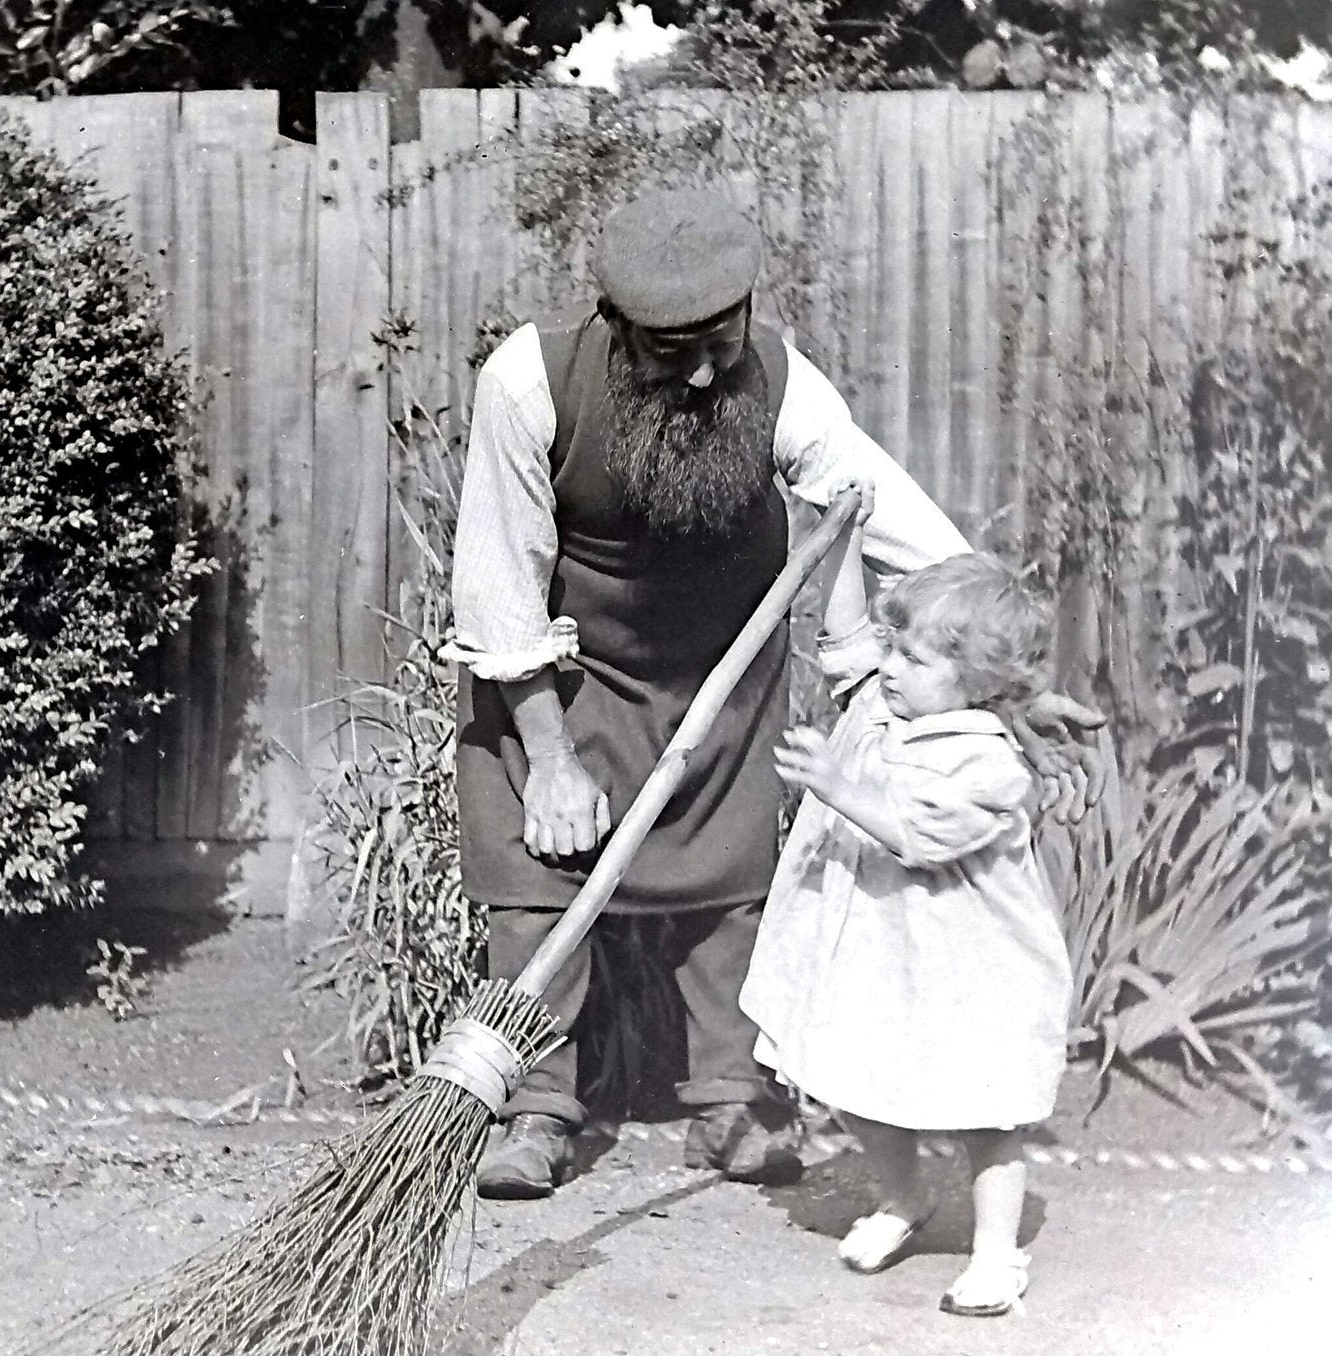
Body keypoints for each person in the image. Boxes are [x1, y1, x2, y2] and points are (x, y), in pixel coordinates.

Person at [441, 185, 1100, 1201]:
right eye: (669, 351)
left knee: (732, 879)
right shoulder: (527, 383)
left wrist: (1007, 686)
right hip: (556, 666)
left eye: (720, 337)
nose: (703, 370)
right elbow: (496, 580)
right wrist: (551, 755)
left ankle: (731, 1103)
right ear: (614, 327)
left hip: (718, 661)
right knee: (536, 879)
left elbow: (888, 520)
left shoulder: (782, 385)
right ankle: (535, 1106)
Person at [738, 489, 1071, 1317]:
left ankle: (998, 1254)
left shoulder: (988, 763)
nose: (890, 668)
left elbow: (917, 835)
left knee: (988, 1111)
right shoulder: (883, 708)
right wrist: (842, 538)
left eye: (915, 659)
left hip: (972, 971)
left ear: (979, 682)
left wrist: (837, 786)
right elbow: (847, 634)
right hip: (885, 958)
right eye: (894, 650)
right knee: (854, 1078)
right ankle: (904, 1194)